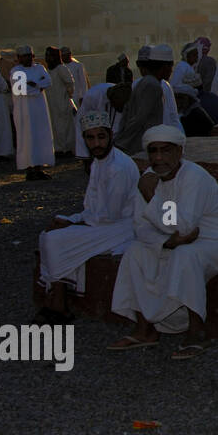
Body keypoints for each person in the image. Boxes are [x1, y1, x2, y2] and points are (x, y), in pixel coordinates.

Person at [108, 125, 218, 359]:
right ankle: (145, 329)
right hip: (177, 241)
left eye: (166, 150)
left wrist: (152, 198)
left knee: (187, 255)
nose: (159, 158)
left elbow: (184, 225)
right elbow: (141, 227)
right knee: (134, 252)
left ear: (180, 151)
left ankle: (197, 333)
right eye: (153, 151)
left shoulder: (194, 176)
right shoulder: (148, 180)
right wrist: (166, 243)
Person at [34, 112, 140, 322]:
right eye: (90, 138)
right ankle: (57, 301)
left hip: (122, 227)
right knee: (49, 234)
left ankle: (58, 305)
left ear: (110, 136)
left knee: (54, 239)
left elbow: (110, 215)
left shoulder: (118, 167)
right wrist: (71, 219)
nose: (96, 143)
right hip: (102, 223)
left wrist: (73, 222)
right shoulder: (99, 162)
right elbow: (92, 207)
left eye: (101, 137)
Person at [10, 45, 54, 180]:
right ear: (19, 58)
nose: (28, 58)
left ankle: (39, 168)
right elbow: (21, 90)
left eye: (30, 55)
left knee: (41, 136)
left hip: (40, 109)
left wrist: (32, 84)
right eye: (25, 56)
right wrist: (38, 85)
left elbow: (48, 81)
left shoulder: (40, 68)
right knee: (27, 139)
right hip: (25, 111)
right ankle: (29, 170)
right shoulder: (16, 71)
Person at [74, 81, 130, 159]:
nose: (120, 109)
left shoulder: (123, 97)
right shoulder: (93, 96)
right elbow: (83, 122)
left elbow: (117, 126)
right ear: (113, 99)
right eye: (118, 105)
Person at [44, 46, 77, 157]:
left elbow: (70, 83)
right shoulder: (48, 70)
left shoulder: (61, 68)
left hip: (62, 102)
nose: (48, 58)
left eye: (50, 56)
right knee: (55, 127)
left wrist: (67, 96)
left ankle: (67, 148)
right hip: (52, 103)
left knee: (65, 127)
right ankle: (58, 148)